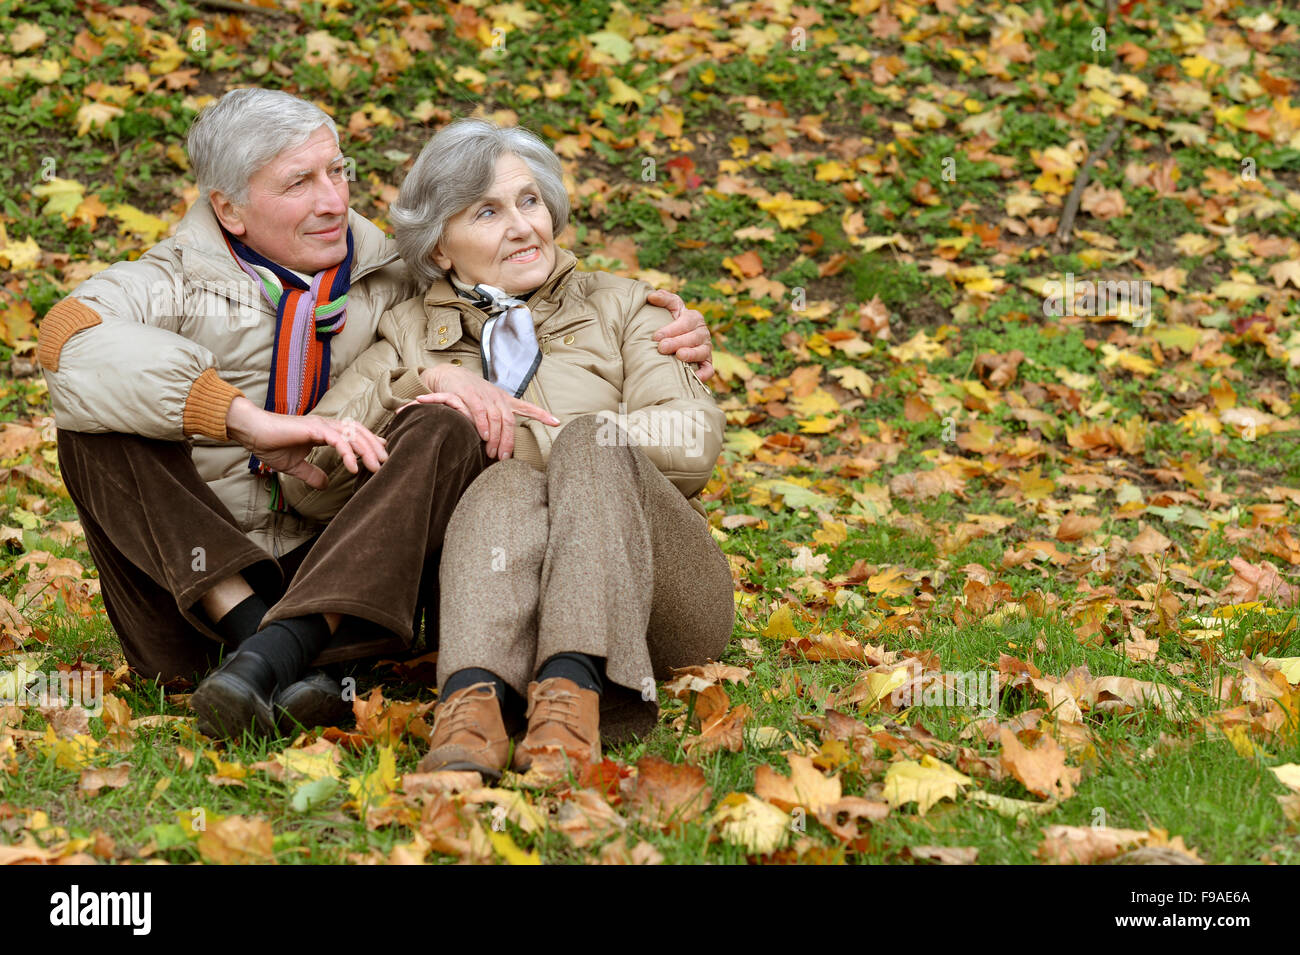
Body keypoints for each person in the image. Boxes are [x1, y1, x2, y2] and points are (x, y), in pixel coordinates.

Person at [37, 89, 715, 740]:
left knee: (455, 426)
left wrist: (648, 365)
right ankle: (262, 641)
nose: (332, 201)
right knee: (98, 419)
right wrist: (240, 416)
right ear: (229, 209)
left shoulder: (393, 271)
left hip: (350, 585)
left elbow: (676, 425)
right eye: (298, 183)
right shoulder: (178, 281)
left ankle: (289, 648)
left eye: (337, 171)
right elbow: (64, 338)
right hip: (189, 592)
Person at [289, 119, 735, 779]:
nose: (523, 227)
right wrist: (416, 384)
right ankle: (473, 710)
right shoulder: (410, 334)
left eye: (530, 201)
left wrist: (518, 435)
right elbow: (309, 475)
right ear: (440, 248)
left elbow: (692, 439)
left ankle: (574, 694)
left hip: (661, 602)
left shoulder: (627, 306)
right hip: (491, 612)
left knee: (589, 438)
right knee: (503, 484)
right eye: (488, 212)